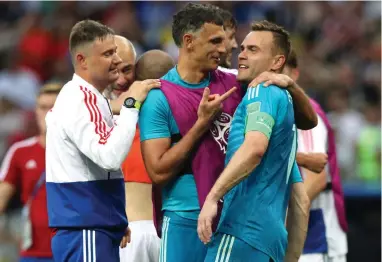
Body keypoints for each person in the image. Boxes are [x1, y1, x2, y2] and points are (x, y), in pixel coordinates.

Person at [140, 3, 316, 262]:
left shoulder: (238, 82)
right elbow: (157, 171)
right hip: (185, 217)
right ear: (189, 42)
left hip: (232, 217)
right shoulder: (160, 97)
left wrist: (291, 85)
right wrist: (201, 124)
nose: (226, 49)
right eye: (215, 41)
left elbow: (306, 121)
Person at [45, 20, 160, 262]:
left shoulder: (92, 99)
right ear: (82, 60)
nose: (116, 60)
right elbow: (109, 157)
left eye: (115, 52)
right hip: (85, 230)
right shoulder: (80, 99)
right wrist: (131, 104)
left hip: (95, 227)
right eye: (108, 53)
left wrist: (113, 218)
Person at [198, 21, 310, 262]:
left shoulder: (262, 90)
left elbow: (254, 148)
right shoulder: (286, 107)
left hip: (241, 232)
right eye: (244, 48)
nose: (242, 54)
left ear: (277, 62)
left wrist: (213, 196)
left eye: (253, 50)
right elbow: (301, 202)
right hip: (271, 244)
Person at [284, 50, 348, 262]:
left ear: (294, 74)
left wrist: (285, 220)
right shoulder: (280, 110)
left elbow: (317, 177)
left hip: (316, 235)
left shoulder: (306, 115)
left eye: (280, 71)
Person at [0, 83, 63, 262]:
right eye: (43, 107)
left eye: (53, 108)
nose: (47, 113)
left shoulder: (82, 150)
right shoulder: (20, 151)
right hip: (33, 252)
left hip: (73, 248)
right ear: (35, 111)